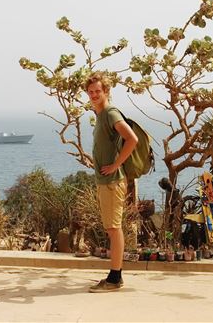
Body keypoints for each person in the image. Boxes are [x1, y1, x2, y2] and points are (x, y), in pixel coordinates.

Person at [85, 72, 138, 293]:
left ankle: (115, 278)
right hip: (106, 181)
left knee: (114, 229)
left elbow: (131, 139)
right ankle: (116, 276)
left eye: (98, 91)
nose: (94, 95)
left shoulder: (109, 113)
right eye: (91, 92)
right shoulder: (100, 114)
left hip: (112, 182)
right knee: (112, 228)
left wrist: (116, 164)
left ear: (106, 91)